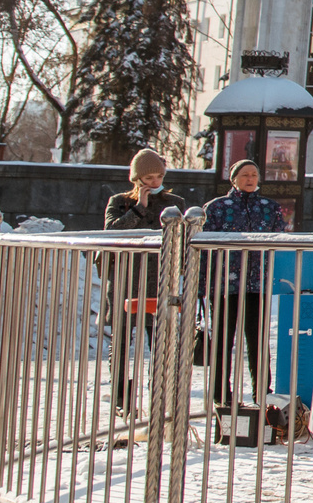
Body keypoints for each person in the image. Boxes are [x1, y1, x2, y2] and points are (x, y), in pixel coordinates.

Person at [199, 158, 286, 410]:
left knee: (258, 340)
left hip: (257, 284)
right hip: (224, 284)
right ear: (233, 178)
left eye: (254, 175)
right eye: (245, 174)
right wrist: (201, 285)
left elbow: (280, 241)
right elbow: (204, 248)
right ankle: (221, 395)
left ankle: (262, 394)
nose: (250, 179)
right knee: (223, 340)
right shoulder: (216, 207)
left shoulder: (270, 208)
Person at [100, 149, 181, 410]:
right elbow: (111, 232)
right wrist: (139, 208)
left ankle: (158, 398)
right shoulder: (119, 201)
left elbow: (178, 238)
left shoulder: (173, 202)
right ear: (136, 178)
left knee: (159, 341)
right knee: (122, 340)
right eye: (148, 177)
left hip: (157, 277)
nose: (154, 183)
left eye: (158, 176)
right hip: (125, 277)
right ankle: (121, 400)